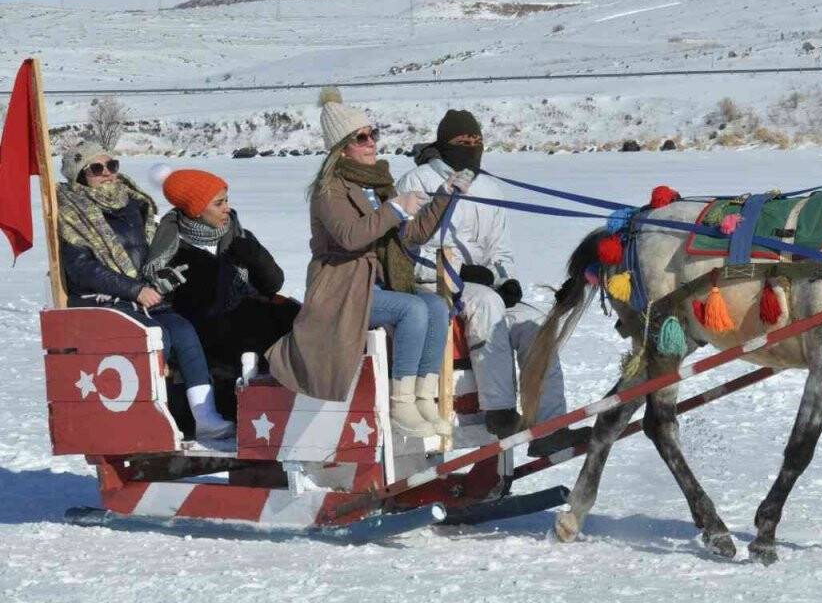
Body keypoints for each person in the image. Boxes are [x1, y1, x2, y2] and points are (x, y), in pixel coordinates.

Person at [267, 88, 471, 438]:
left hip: (376, 282)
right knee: (412, 310)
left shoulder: (378, 184)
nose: (371, 143)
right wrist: (393, 209)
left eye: (373, 134)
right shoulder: (329, 189)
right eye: (361, 138)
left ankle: (423, 397)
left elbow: (412, 234)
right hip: (341, 287)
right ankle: (400, 403)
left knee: (436, 306)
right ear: (342, 148)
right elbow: (349, 236)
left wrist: (445, 195)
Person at [399, 109, 588, 457]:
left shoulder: (489, 187)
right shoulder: (418, 181)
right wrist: (464, 274)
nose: (471, 147)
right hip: (434, 284)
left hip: (482, 286)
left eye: (476, 141)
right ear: (444, 143)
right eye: (462, 142)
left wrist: (505, 279)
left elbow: (499, 250)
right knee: (486, 304)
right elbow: (410, 248)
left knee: (534, 322)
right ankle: (498, 412)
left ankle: (548, 425)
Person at [56, 142, 234, 440]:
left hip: (144, 297)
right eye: (96, 169)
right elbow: (82, 268)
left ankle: (206, 417)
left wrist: (160, 276)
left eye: (111, 165)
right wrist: (134, 289)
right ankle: (152, 417)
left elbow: (149, 252)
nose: (108, 174)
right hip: (106, 300)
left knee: (184, 332)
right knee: (154, 336)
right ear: (80, 176)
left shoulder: (133, 203)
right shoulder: (73, 214)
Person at [148, 167, 300, 396]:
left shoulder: (238, 235)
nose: (227, 209)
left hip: (249, 314)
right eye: (218, 204)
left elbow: (273, 284)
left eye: (226, 200)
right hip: (211, 336)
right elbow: (192, 308)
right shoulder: (173, 250)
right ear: (196, 210)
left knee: (297, 316)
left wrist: (256, 256)